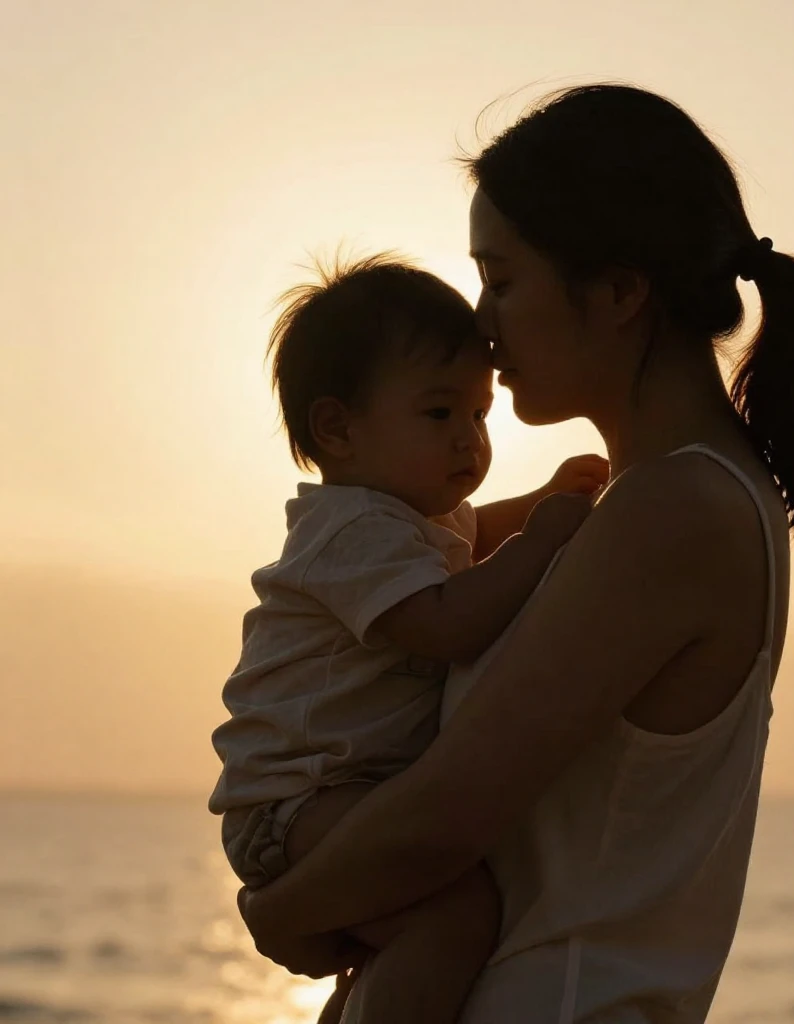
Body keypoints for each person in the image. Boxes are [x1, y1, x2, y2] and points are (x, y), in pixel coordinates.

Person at [238, 84, 794, 1023]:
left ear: (616, 291)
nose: (481, 324)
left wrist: (280, 912)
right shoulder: (647, 500)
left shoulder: (677, 510)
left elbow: (449, 814)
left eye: (502, 277)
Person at [208, 254, 609, 1024]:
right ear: (338, 428)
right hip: (293, 804)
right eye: (439, 414)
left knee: (403, 948)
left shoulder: (415, 521)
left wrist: (556, 497)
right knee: (449, 916)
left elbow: (479, 532)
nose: (470, 440)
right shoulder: (353, 531)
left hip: (337, 796)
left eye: (479, 414)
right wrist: (547, 536)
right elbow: (444, 626)